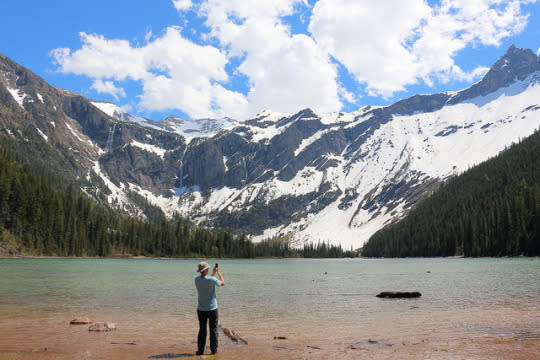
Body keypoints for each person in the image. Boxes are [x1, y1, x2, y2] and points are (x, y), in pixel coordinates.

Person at [194, 261, 225, 355]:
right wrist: (219, 272)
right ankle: (213, 350)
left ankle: (200, 350)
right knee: (213, 330)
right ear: (206, 270)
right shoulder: (211, 280)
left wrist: (213, 274)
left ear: (200, 271)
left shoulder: (196, 280)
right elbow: (222, 283)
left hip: (201, 309)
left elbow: (207, 280)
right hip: (212, 309)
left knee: (202, 330)